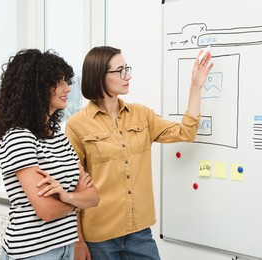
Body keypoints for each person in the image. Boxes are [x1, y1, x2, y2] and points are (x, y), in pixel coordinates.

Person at [64, 46, 213, 260]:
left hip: (139, 233)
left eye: (127, 68)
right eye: (121, 70)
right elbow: (73, 188)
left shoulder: (141, 115)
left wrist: (196, 86)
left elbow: (186, 132)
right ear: (99, 76)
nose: (128, 76)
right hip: (99, 238)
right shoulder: (77, 125)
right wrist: (78, 241)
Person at [0, 49, 100, 260]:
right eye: (58, 82)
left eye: (65, 81)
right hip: (33, 253)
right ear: (36, 89)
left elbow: (94, 197)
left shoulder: (57, 136)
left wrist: (66, 196)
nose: (67, 88)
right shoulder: (19, 138)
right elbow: (46, 211)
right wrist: (78, 197)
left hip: (65, 247)